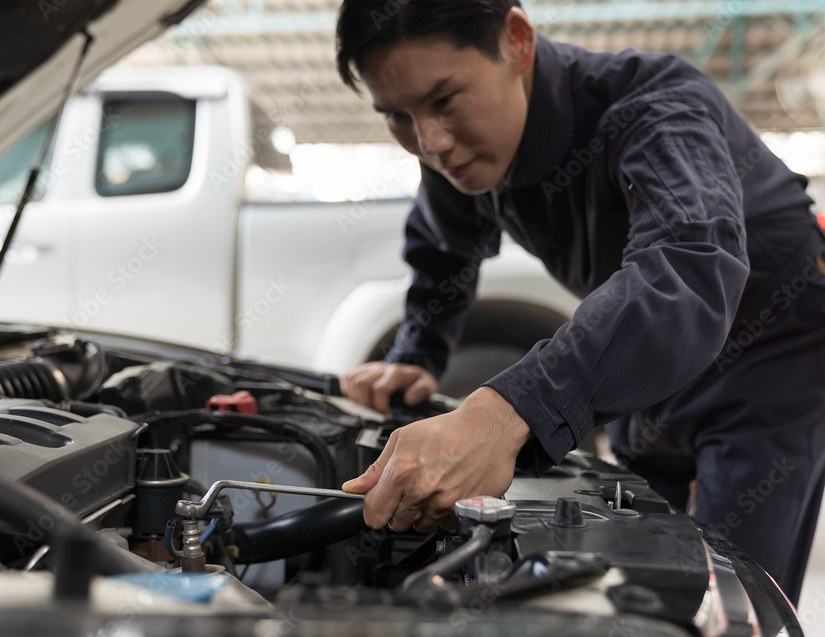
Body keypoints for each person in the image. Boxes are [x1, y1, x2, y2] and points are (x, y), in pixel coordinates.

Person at [334, 0, 825, 604]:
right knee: (630, 571)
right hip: (644, 355)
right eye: (398, 116)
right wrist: (420, 350)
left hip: (769, 353)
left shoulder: (654, 109)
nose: (430, 143)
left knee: (727, 601)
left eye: (443, 100)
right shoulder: (456, 149)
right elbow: (443, 243)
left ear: (516, 40)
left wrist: (504, 413)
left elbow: (688, 265)